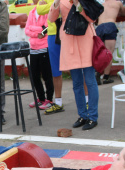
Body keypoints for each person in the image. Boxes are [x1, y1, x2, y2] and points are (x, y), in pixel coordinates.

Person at [48, 0, 100, 130]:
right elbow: (51, 18)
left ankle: (93, 117)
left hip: (86, 40)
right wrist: (56, 3)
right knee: (76, 82)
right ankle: (82, 115)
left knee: (90, 80)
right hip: (69, 40)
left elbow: (92, 17)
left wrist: (78, 4)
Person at [25, 0, 54, 111]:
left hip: (44, 47)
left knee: (47, 75)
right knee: (34, 75)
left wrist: (37, 30)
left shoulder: (47, 11)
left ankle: (49, 99)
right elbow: (27, 30)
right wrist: (37, 32)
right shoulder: (32, 12)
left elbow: (46, 28)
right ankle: (41, 98)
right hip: (33, 48)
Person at [37, 0, 65, 115]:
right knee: (55, 71)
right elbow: (39, 10)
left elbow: (64, 6)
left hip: (67, 31)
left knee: (77, 68)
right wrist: (55, 5)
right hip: (53, 34)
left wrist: (53, 6)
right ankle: (58, 102)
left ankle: (86, 100)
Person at [95, 0, 125, 85]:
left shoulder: (102, 5)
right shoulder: (117, 3)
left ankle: (97, 73)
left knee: (98, 53)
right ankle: (106, 77)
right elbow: (124, 13)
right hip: (110, 26)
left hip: (99, 27)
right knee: (108, 53)